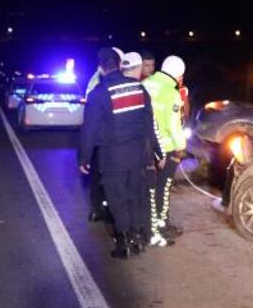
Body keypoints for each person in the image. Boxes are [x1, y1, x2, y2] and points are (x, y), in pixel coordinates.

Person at [79, 48, 163, 259]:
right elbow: (149, 125)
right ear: (119, 64)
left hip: (112, 157)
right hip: (138, 155)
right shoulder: (139, 88)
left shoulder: (98, 93)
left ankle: (124, 242)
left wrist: (84, 158)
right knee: (135, 195)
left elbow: (89, 130)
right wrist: (157, 152)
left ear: (100, 67)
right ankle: (137, 237)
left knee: (118, 199)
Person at [143, 55, 187, 245]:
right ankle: (162, 225)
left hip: (145, 147)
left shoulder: (146, 83)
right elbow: (173, 125)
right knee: (163, 187)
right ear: (178, 75)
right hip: (166, 148)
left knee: (149, 189)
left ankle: (149, 223)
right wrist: (181, 146)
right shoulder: (172, 93)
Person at [85, 47, 125, 224]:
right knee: (99, 178)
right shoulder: (97, 84)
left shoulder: (100, 81)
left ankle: (103, 209)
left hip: (108, 138)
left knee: (104, 178)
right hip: (103, 140)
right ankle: (99, 210)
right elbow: (92, 118)